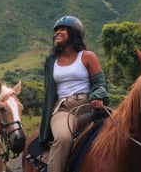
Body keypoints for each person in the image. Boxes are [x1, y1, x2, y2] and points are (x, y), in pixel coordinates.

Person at [39, 16, 109, 172]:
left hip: (89, 103)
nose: (57, 32)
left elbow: (100, 83)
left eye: (62, 29)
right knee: (63, 138)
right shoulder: (51, 61)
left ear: (74, 34)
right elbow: (50, 91)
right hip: (64, 108)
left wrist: (98, 96)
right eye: (56, 30)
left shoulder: (88, 57)